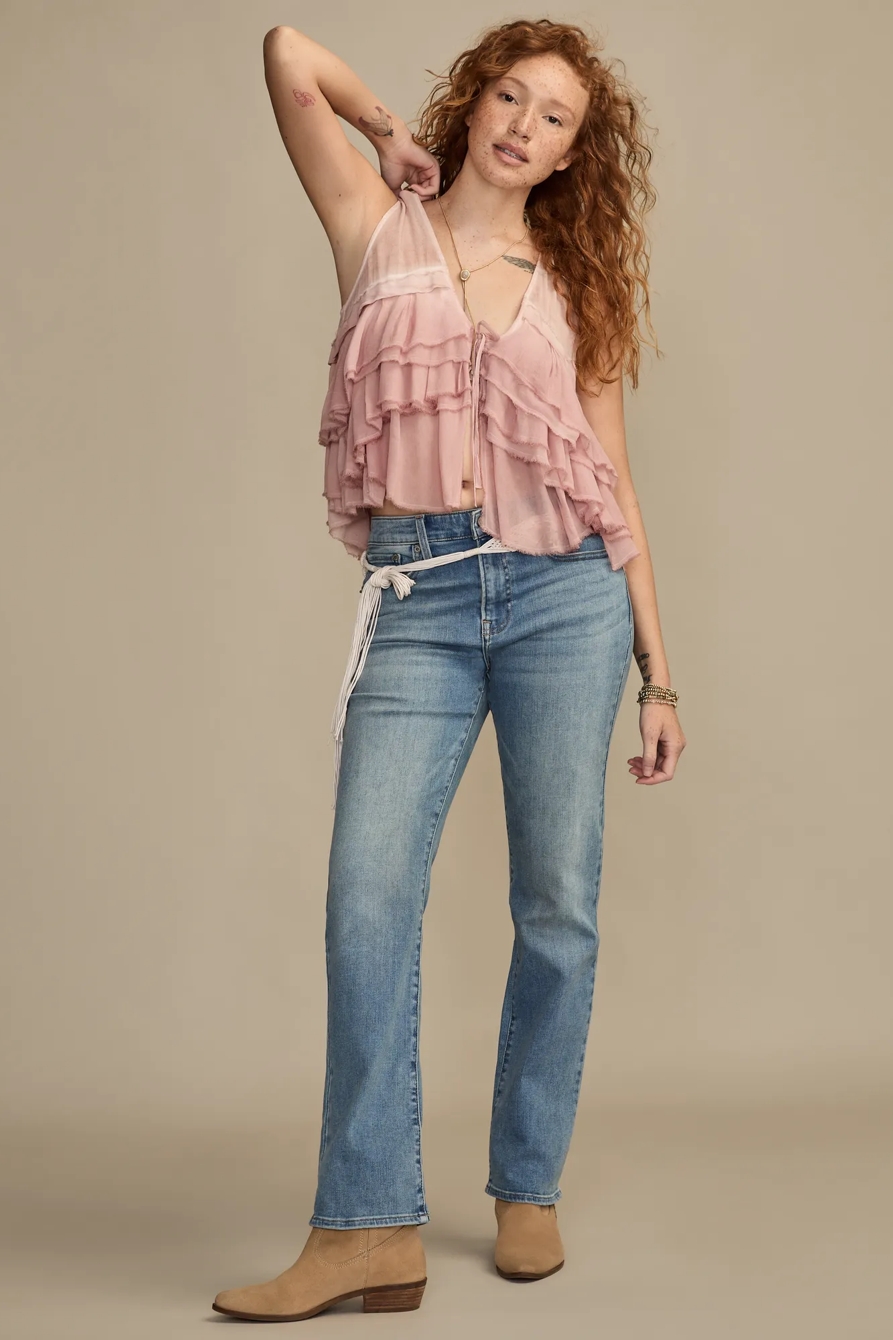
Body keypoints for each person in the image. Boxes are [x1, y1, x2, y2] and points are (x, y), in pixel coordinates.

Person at [212, 17, 686, 1323]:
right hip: (418, 598)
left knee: (557, 901)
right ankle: (367, 1226)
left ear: (572, 155)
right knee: (366, 898)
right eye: (510, 96)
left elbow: (614, 486)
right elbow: (287, 51)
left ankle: (527, 1184)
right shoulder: (375, 223)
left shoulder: (575, 282)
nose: (524, 126)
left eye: (554, 118)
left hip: (563, 598)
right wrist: (385, 133)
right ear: (472, 102)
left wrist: (657, 670)